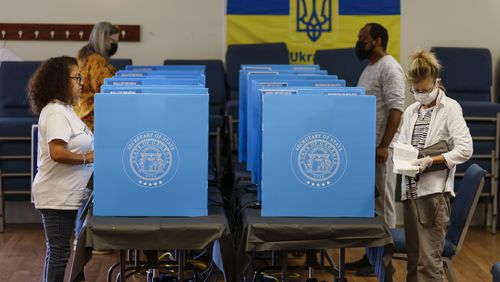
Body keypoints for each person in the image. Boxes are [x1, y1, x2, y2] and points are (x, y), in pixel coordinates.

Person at [398, 49, 472, 282]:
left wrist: (432, 160)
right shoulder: (411, 111)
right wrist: (399, 155)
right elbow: (399, 142)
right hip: (410, 192)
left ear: (437, 82)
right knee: (413, 260)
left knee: (429, 265)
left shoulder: (450, 108)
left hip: (433, 196)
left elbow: (465, 149)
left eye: (426, 90)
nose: (421, 94)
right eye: (416, 91)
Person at [345, 23, 405, 276]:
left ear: (378, 40)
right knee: (372, 205)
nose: (359, 43)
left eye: (363, 38)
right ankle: (371, 256)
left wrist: (384, 145)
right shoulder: (370, 68)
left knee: (384, 206)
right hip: (368, 147)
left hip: (383, 149)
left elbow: (396, 108)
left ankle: (384, 263)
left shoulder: (390, 67)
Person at [28, 56, 94, 282]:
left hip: (69, 194)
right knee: (59, 253)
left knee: (65, 254)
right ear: (60, 80)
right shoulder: (56, 111)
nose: (81, 83)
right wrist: (88, 157)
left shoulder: (65, 109)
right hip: (57, 195)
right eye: (76, 78)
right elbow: (57, 152)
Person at [74, 21, 120, 132]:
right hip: (93, 116)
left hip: (80, 112)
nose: (114, 45)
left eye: (117, 42)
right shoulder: (96, 62)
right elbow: (106, 89)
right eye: (112, 41)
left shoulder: (83, 55)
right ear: (102, 40)